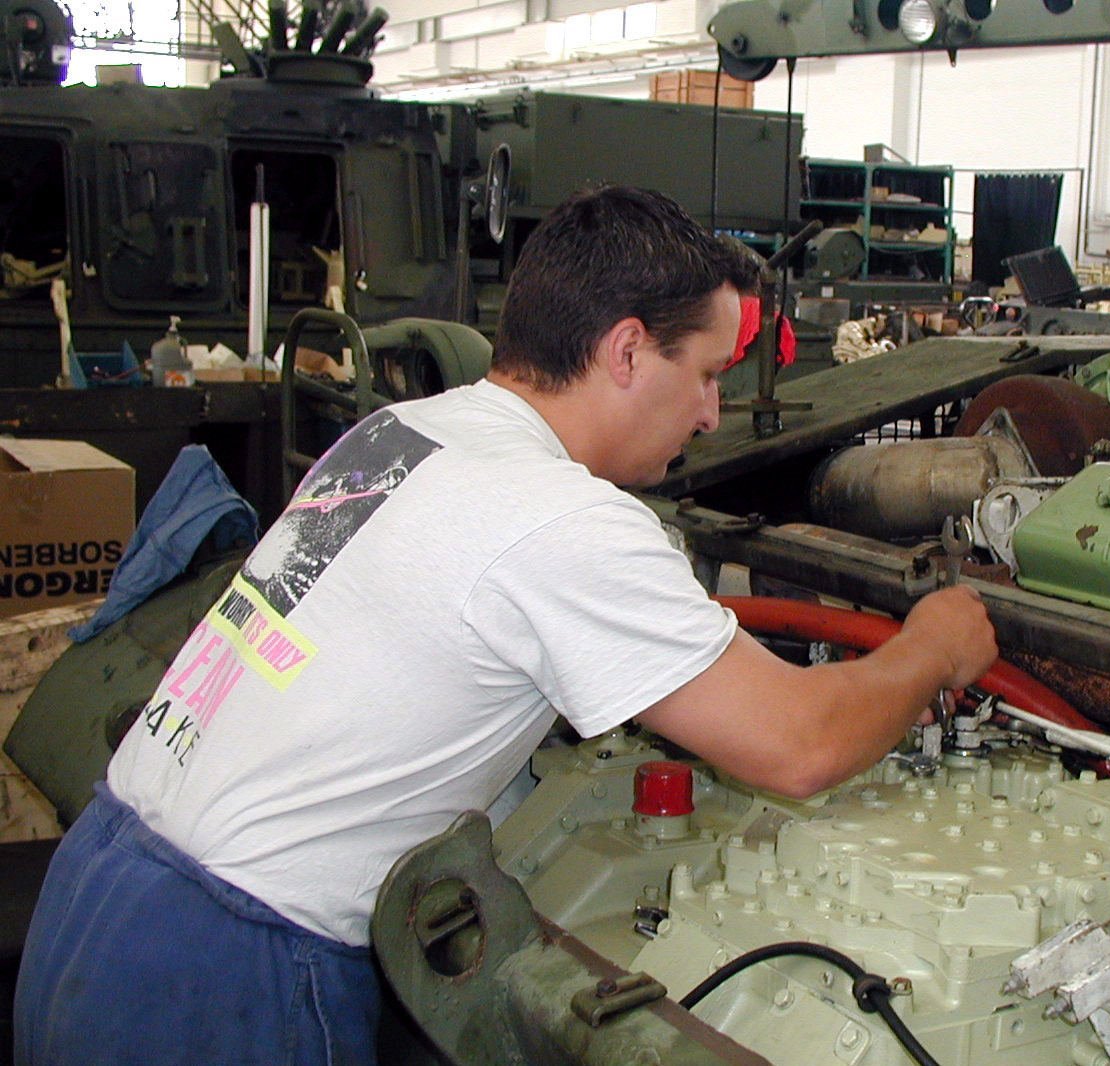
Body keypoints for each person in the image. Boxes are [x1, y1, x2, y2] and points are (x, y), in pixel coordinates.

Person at [13, 185, 996, 1065]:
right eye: (704, 372)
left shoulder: (398, 433)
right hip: (238, 967)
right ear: (623, 350)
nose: (709, 412)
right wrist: (932, 645)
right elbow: (799, 745)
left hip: (103, 885)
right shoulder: (563, 516)